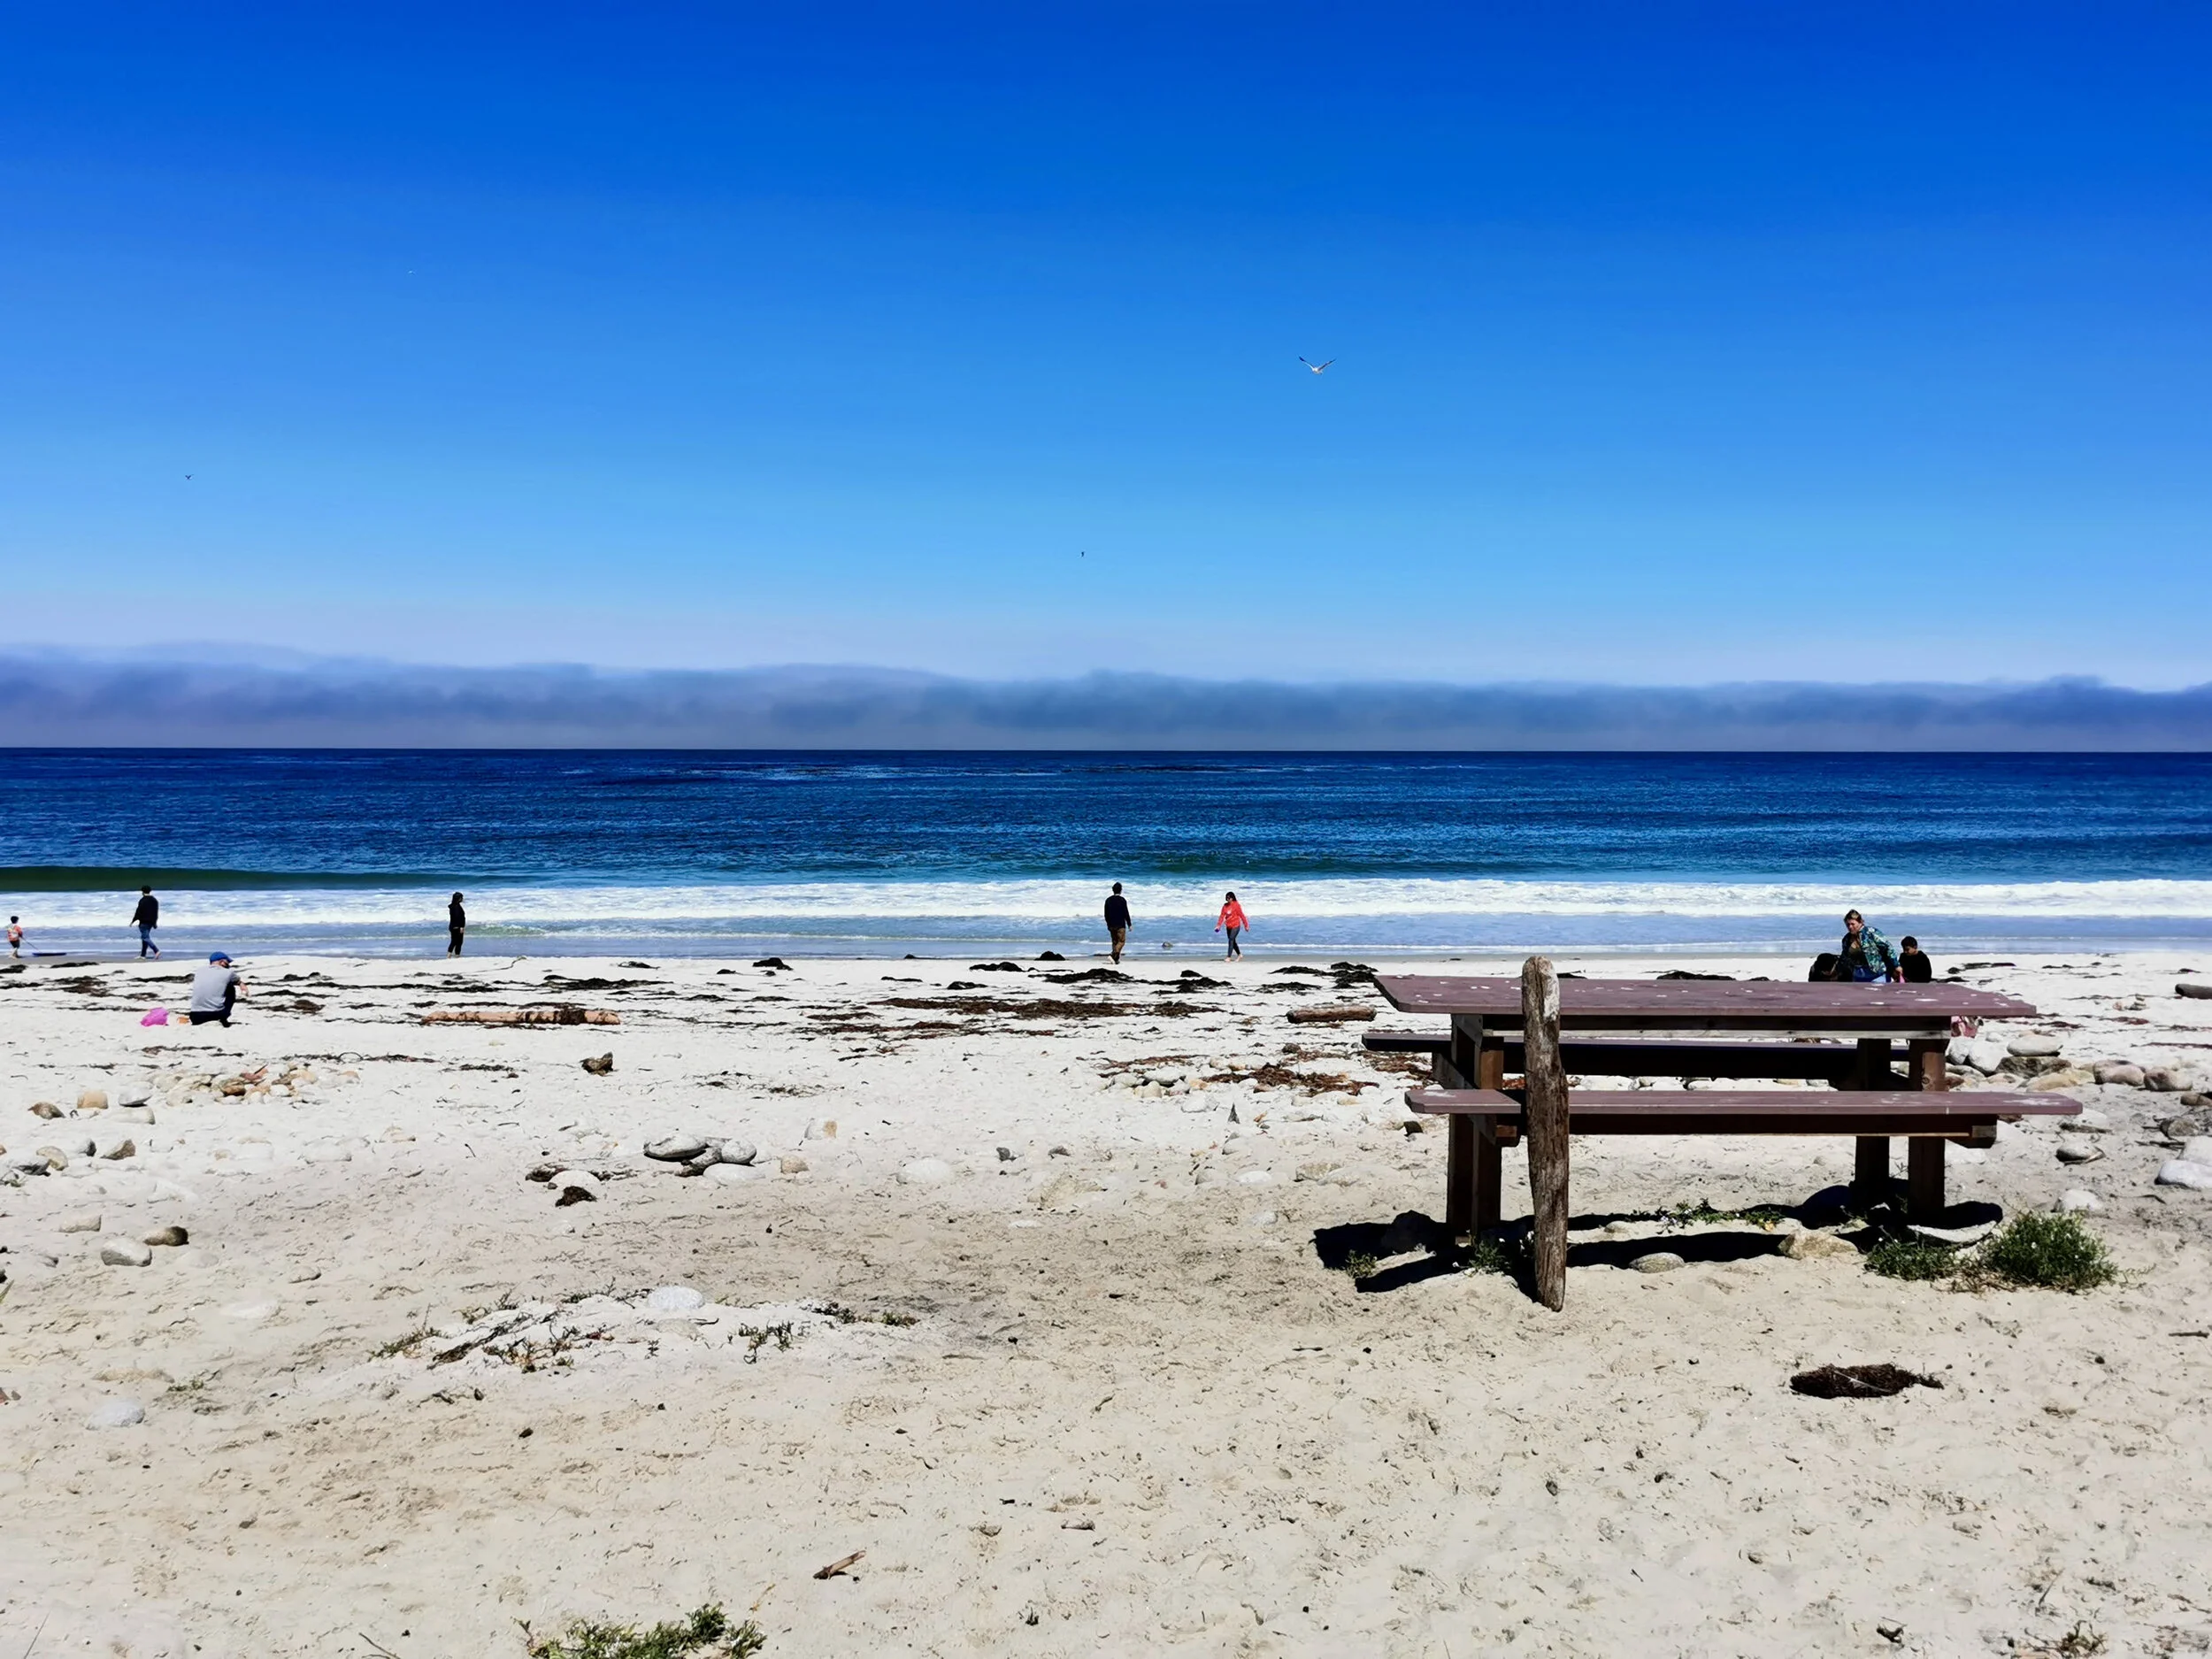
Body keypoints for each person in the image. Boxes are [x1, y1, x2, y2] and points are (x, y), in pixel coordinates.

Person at [1838, 909, 1901, 983]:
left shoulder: (1871, 933)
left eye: (1852, 924)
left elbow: (1888, 948)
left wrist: (1896, 965)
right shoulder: (1846, 939)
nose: (1850, 927)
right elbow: (1844, 957)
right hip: (1858, 975)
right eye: (1848, 924)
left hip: (1877, 975)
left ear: (1860, 922)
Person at [188, 951, 244, 1026]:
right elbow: (237, 981)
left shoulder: (199, 971)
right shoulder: (228, 972)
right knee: (230, 988)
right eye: (228, 962)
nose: (229, 965)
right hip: (215, 1015)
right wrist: (242, 985)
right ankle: (223, 1017)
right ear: (222, 962)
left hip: (195, 1016)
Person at [1214, 891, 1248, 960]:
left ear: (1232, 898)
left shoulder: (1236, 905)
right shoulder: (1225, 906)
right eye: (1226, 898)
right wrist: (1218, 925)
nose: (1228, 899)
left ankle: (1228, 957)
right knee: (1233, 941)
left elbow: (1242, 915)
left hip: (1236, 925)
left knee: (1231, 940)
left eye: (1229, 898)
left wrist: (1246, 925)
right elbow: (1222, 916)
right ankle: (1239, 954)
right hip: (1228, 926)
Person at [1102, 883, 1131, 964]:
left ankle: (1116, 959)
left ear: (1113, 890)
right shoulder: (1122, 900)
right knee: (1121, 941)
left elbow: (1106, 914)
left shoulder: (1108, 900)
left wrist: (1108, 924)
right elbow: (1126, 913)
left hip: (1111, 924)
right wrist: (1129, 924)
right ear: (1121, 890)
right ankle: (1113, 955)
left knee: (1115, 941)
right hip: (1120, 924)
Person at [132, 887, 160, 958]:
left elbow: (138, 912)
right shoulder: (154, 900)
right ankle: (143, 955)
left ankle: (156, 950)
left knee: (145, 938)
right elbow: (155, 912)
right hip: (151, 922)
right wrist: (155, 922)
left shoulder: (142, 900)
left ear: (142, 892)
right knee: (145, 938)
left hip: (144, 921)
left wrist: (133, 920)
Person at [447, 891, 467, 957]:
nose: (462, 899)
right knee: (458, 942)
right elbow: (458, 917)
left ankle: (450, 955)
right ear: (458, 899)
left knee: (454, 941)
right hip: (457, 926)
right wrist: (461, 926)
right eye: (461, 897)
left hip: (453, 926)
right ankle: (455, 955)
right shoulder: (456, 907)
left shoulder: (453, 906)